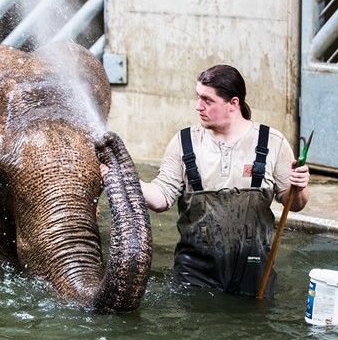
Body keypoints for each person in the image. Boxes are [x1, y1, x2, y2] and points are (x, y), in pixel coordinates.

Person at [101, 65, 310, 298]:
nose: (198, 106)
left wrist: (299, 187)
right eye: (198, 97)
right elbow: (161, 198)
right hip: (194, 271)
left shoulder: (272, 142)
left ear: (233, 103)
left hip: (253, 269)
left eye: (207, 100)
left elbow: (295, 204)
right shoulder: (185, 142)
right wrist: (122, 177)